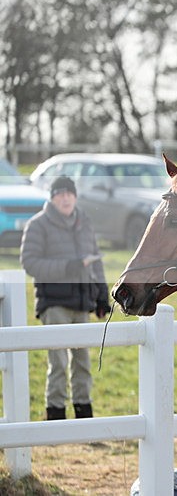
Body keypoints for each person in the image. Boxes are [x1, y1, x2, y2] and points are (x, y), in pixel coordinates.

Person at [20, 176, 111, 421]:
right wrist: (68, 267)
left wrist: (102, 297)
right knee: (58, 362)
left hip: (82, 303)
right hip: (54, 303)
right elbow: (30, 263)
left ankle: (84, 414)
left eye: (69, 193)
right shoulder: (38, 225)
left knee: (83, 362)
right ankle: (55, 415)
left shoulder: (84, 223)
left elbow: (96, 263)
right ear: (52, 198)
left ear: (75, 197)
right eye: (60, 194)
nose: (65, 198)